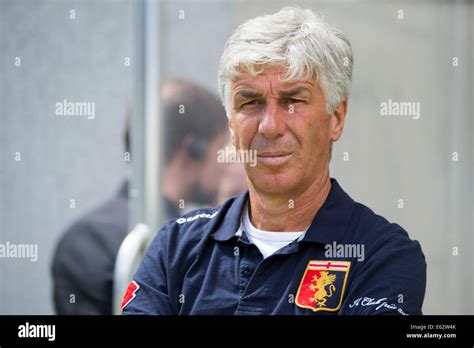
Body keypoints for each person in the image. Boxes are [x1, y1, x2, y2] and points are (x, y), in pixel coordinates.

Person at [121, 7, 426, 315]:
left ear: (336, 118)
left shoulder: (381, 255)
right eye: (250, 102)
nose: (270, 125)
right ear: (231, 124)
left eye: (293, 100)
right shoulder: (176, 246)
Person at [52, 79, 228, 314]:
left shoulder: (88, 237)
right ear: (195, 147)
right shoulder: (101, 239)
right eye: (222, 148)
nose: (225, 165)